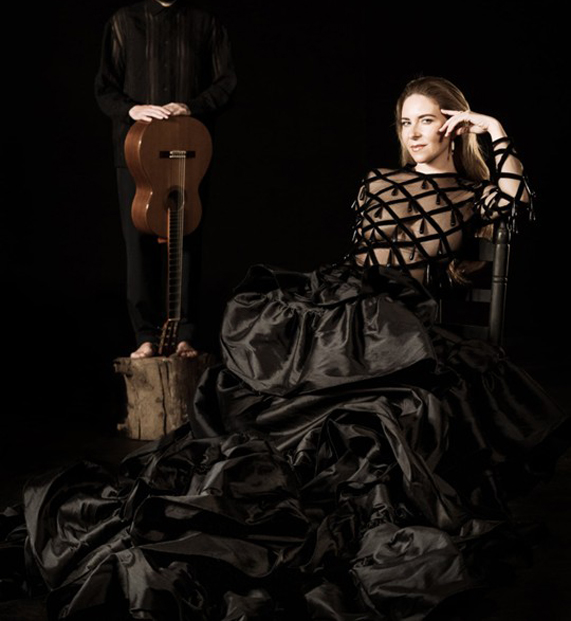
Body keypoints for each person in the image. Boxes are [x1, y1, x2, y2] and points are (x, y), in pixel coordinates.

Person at [9, 78, 568, 619]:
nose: (415, 132)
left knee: (375, 412)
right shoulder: (377, 180)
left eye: (428, 121)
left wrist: (493, 129)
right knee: (261, 356)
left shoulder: (473, 194)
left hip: (400, 321)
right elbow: (368, 257)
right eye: (406, 122)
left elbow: (512, 203)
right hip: (346, 302)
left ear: (453, 126)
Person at [95, 0, 236, 359]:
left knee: (187, 241)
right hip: (135, 154)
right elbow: (104, 89)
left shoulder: (206, 24)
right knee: (137, 246)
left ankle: (185, 335)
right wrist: (133, 110)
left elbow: (227, 83)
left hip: (190, 154)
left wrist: (190, 106)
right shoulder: (122, 22)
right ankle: (144, 336)